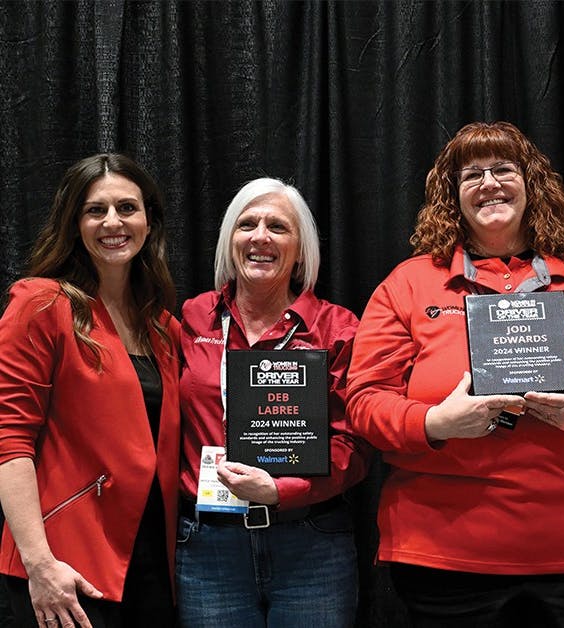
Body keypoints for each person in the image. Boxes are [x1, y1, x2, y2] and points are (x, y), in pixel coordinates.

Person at [346, 121, 564, 627]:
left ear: (532, 184)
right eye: (472, 175)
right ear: (452, 197)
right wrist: (434, 423)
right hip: (443, 552)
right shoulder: (407, 284)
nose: (489, 183)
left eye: (503, 170)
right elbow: (363, 400)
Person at [175, 178, 372, 627]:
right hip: (210, 547)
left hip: (311, 542)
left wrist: (282, 491)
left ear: (301, 249)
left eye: (278, 227)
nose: (260, 236)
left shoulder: (338, 328)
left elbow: (355, 442)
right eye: (247, 224)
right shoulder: (191, 317)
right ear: (230, 241)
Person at [0, 153, 180, 627]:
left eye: (127, 208)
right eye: (95, 210)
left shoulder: (163, 328)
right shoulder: (42, 303)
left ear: (148, 222)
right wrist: (39, 564)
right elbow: (9, 442)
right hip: (66, 565)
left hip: (150, 564)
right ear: (73, 222)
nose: (112, 222)